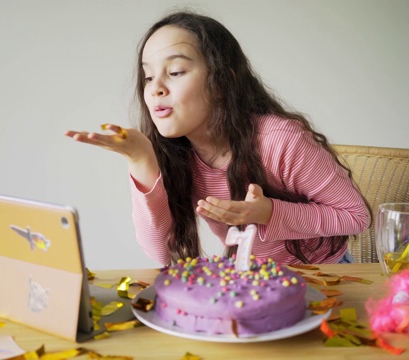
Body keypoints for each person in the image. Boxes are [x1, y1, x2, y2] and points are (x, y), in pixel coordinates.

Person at [66, 11, 370, 266]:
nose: (155, 88)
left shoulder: (280, 142)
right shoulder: (174, 152)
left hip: (321, 276)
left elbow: (357, 216)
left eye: (175, 71)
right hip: (247, 275)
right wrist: (141, 160)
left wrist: (269, 213)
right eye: (147, 76)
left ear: (222, 82)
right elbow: (161, 253)